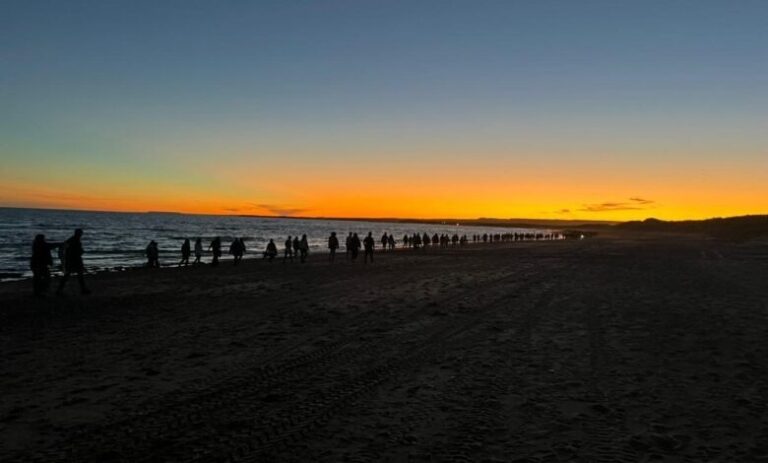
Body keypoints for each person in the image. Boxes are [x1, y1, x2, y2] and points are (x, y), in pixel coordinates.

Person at [56, 229, 90, 295]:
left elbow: (65, 249)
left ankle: (82, 289)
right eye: (80, 233)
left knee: (75, 275)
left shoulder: (73, 240)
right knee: (70, 275)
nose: (81, 235)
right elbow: (72, 250)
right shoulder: (73, 240)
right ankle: (59, 290)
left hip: (73, 260)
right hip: (73, 260)